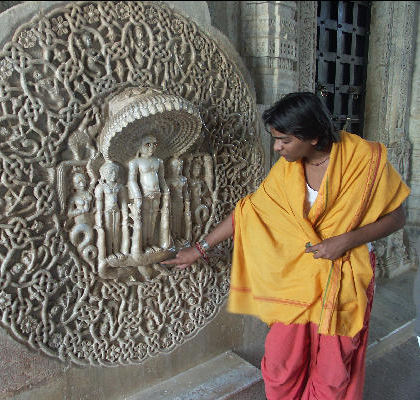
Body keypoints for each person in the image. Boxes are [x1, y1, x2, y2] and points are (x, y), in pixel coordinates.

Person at [162, 92, 410, 400]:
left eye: (284, 141)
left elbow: (398, 217)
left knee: (332, 372)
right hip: (296, 277)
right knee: (282, 361)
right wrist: (200, 248)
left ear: (314, 137)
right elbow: (248, 211)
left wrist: (345, 240)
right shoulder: (288, 169)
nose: (277, 148)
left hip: (344, 275)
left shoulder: (364, 161)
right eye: (276, 139)